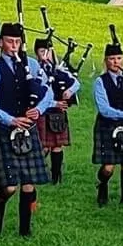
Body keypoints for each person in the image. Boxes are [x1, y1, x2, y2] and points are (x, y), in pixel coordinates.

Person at [0, 22, 54, 237]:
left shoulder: (31, 65)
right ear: (1, 43)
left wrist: (39, 110)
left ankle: (25, 230)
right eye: (9, 42)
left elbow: (48, 93)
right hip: (7, 129)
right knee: (10, 186)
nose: (13, 46)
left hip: (29, 129)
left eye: (17, 42)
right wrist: (11, 120)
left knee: (29, 185)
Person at [92, 43, 123, 206]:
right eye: (112, 59)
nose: (116, 62)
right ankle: (103, 185)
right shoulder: (100, 82)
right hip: (108, 125)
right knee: (108, 167)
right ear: (106, 61)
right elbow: (104, 109)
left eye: (119, 58)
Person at [31, 38, 80, 185]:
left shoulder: (58, 70)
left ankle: (56, 177)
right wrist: (54, 103)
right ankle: (37, 173)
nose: (46, 54)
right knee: (43, 146)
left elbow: (76, 83)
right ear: (36, 53)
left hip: (58, 114)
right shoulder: (34, 70)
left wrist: (69, 92)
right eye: (42, 51)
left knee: (57, 146)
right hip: (43, 112)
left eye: (48, 51)